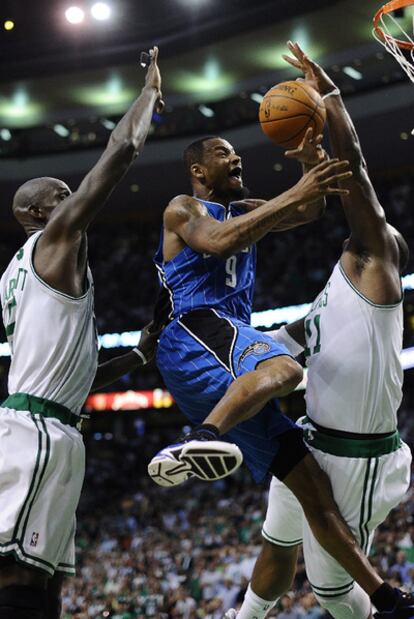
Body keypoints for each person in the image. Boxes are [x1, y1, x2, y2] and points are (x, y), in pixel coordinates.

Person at [148, 124, 413, 614]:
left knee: (314, 491)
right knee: (287, 369)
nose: (237, 159)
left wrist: (309, 166)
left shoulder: (246, 212)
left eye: (236, 154)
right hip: (195, 332)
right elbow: (219, 242)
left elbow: (309, 209)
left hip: (229, 356)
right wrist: (294, 193)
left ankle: (385, 599)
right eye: (224, 154)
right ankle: (201, 435)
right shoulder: (182, 208)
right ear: (198, 169)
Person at [224, 42, 413, 619]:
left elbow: (353, 171)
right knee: (277, 541)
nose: (357, 231)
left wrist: (329, 100)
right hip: (311, 442)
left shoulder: (375, 270)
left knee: (335, 592)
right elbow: (279, 346)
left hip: (356, 459)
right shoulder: (332, 292)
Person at [0, 48, 162, 619]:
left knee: (43, 580)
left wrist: (138, 357)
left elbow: (68, 371)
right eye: (63, 198)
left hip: (45, 422)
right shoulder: (51, 244)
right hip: (39, 431)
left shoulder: (24, 275)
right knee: (20, 574)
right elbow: (120, 153)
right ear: (37, 215)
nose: (76, 203)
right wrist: (148, 95)